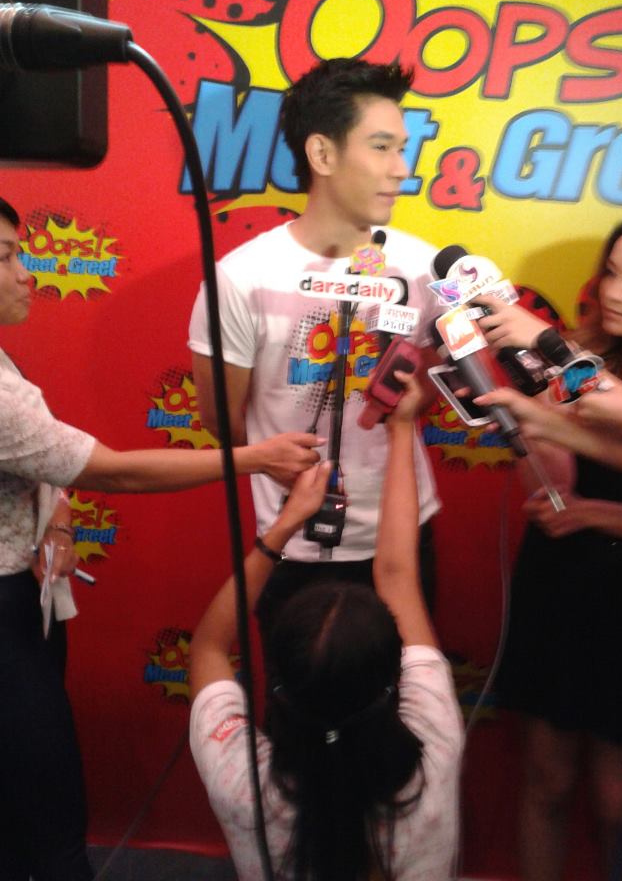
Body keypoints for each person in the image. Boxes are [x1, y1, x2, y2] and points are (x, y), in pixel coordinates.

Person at [0, 196, 323, 881]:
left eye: (22, 251)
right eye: (5, 257)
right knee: (47, 810)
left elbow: (39, 460)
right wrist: (256, 457)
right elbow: (114, 471)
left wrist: (56, 515)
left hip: (27, 600)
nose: (27, 272)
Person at [475, 210, 622, 880]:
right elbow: (556, 472)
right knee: (547, 780)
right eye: (611, 272)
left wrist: (596, 515)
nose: (614, 291)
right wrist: (525, 430)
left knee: (621, 802)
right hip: (559, 584)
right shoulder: (581, 363)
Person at [188, 57, 441, 633]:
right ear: (322, 154)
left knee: (407, 684)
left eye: (403, 149)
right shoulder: (240, 278)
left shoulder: (426, 267)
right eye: (381, 147)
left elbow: (437, 383)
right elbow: (223, 421)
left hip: (404, 530)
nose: (401, 169)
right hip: (292, 541)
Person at [189, 372, 463, 880]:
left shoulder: (242, 785)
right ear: (393, 681)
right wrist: (402, 428)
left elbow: (207, 649)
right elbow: (398, 575)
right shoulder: (436, 745)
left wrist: (282, 528)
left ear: (279, 684)